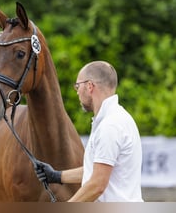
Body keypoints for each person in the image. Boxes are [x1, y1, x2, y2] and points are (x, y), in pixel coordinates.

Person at [35, 60, 143, 202]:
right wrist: (57, 176)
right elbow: (95, 171)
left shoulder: (110, 126)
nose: (77, 92)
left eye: (77, 86)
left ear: (90, 86)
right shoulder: (115, 118)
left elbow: (97, 184)